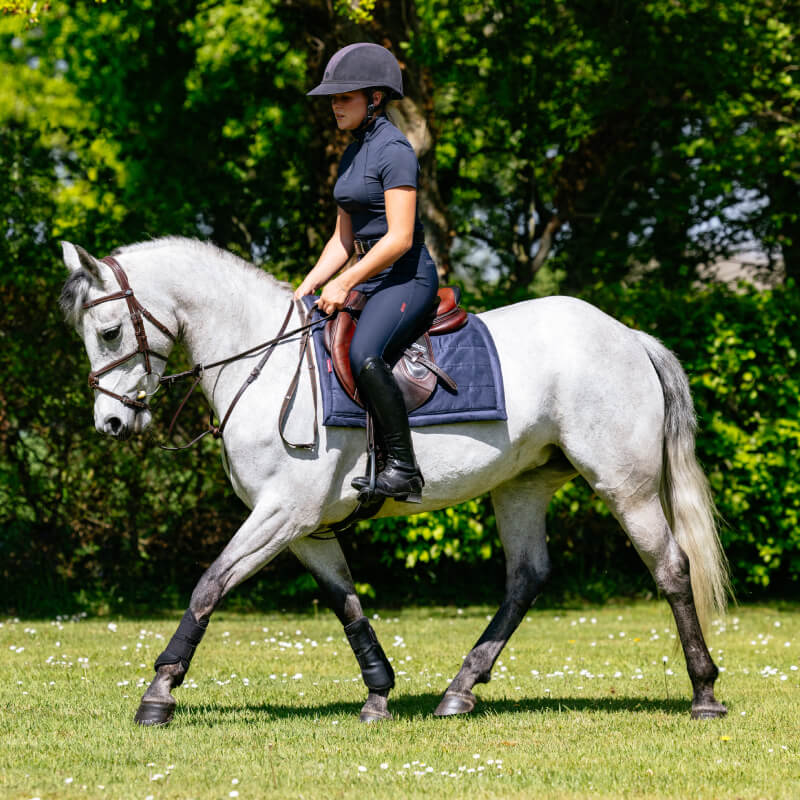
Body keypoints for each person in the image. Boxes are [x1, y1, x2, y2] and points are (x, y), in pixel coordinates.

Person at [296, 43, 439, 503]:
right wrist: (307, 285)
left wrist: (345, 281)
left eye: (345, 97)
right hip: (369, 276)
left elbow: (398, 238)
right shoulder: (353, 154)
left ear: (375, 98)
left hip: (406, 278)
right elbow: (342, 240)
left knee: (365, 353)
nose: (335, 106)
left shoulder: (395, 151)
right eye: (333, 99)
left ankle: (404, 468)